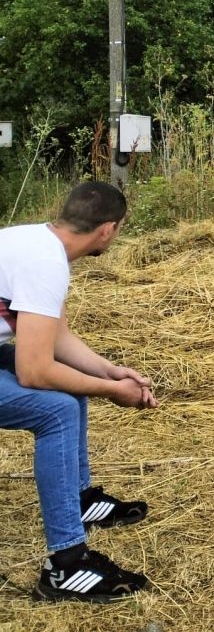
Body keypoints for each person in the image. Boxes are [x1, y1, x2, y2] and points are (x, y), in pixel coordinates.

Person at [0, 181, 158, 602]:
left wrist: (113, 371)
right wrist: (112, 391)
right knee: (56, 410)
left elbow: (57, 342)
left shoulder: (38, 243)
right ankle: (67, 567)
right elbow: (34, 372)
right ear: (107, 229)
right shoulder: (44, 263)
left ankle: (79, 501)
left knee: (69, 385)